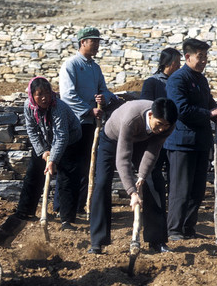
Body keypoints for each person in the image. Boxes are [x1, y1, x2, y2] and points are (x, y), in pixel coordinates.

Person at [0, 76, 82, 247]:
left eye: (47, 93)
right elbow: (31, 129)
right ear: (32, 95)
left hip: (70, 141)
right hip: (45, 142)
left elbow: (62, 136)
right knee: (33, 174)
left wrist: (53, 159)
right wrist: (43, 152)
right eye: (40, 95)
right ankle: (25, 212)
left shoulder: (58, 107)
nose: (45, 98)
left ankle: (67, 219)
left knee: (67, 177)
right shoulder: (28, 106)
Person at [88, 98, 178, 254]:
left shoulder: (168, 125)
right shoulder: (131, 119)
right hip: (112, 139)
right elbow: (123, 159)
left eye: (166, 126)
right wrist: (132, 192)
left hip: (142, 141)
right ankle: (98, 241)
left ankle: (157, 240)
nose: (163, 129)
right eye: (159, 124)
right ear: (150, 115)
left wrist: (142, 176)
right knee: (102, 182)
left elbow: (153, 151)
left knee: (154, 181)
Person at [164, 38, 217, 241]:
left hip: (200, 142)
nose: (204, 61)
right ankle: (174, 230)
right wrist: (208, 114)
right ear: (188, 57)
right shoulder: (177, 79)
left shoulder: (201, 80)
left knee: (197, 190)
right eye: (201, 57)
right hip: (182, 143)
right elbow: (181, 110)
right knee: (180, 189)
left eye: (206, 57)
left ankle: (189, 228)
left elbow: (210, 104)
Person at [59, 26, 118, 217]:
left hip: (90, 125)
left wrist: (104, 99)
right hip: (74, 123)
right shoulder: (71, 65)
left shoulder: (95, 67)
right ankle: (62, 207)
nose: (97, 45)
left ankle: (79, 206)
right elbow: (67, 95)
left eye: (98, 42)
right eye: (94, 41)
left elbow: (105, 91)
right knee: (70, 166)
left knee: (86, 165)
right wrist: (88, 110)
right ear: (83, 42)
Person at [140, 47, 182, 238]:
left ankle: (172, 219)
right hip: (155, 137)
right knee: (153, 179)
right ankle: (150, 220)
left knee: (174, 179)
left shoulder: (179, 82)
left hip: (173, 137)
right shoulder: (152, 83)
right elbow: (145, 108)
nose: (180, 66)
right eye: (177, 62)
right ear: (170, 64)